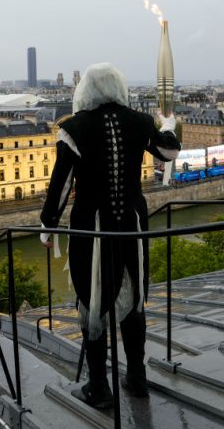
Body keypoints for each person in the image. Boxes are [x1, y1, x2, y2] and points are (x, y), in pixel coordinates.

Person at [39, 63, 180, 409]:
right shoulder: (139, 121)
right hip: (131, 223)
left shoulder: (73, 128)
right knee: (132, 300)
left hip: (92, 225)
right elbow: (169, 152)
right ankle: (136, 379)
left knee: (93, 300)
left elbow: (62, 186)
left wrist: (48, 226)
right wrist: (167, 125)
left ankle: (99, 388)